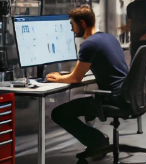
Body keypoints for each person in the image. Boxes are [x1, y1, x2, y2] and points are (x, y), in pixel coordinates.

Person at [48, 5, 129, 154]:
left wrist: (59, 77)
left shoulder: (89, 44)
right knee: (86, 100)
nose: (72, 29)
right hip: (126, 95)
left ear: (82, 24)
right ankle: (97, 140)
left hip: (112, 98)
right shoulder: (109, 37)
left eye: (72, 24)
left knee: (58, 113)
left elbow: (76, 78)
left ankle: (97, 141)